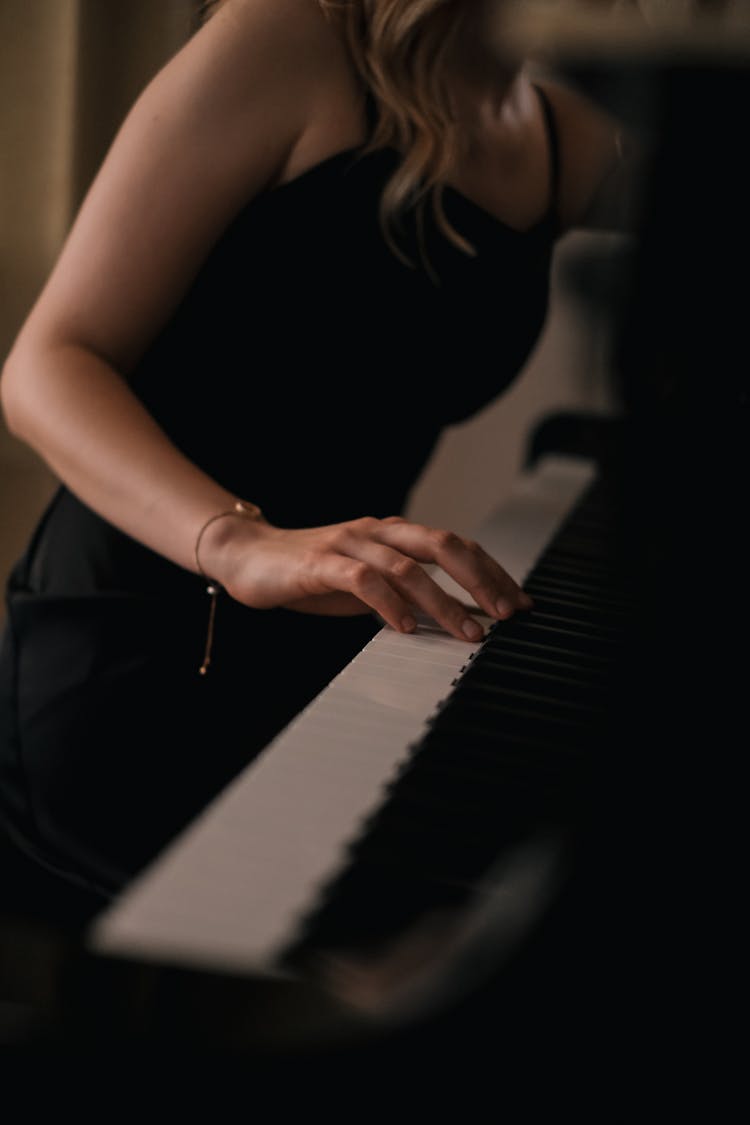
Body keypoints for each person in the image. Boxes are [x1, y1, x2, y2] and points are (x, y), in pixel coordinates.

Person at [0, 0, 637, 912]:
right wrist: (241, 543)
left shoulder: (560, 130)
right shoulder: (290, 33)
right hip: (142, 649)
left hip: (339, 646)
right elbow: (49, 364)